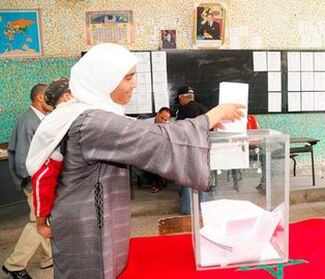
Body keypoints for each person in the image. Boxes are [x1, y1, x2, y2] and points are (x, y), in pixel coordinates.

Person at [25, 43, 244, 279]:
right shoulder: (91, 121)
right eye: (128, 77)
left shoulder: (84, 111)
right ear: (104, 79)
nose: (135, 84)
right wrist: (214, 115)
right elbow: (156, 140)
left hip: (88, 216)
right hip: (87, 227)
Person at [2, 84, 53, 279]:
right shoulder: (27, 121)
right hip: (35, 182)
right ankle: (14, 265)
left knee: (44, 218)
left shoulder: (40, 118)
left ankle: (48, 258)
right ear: (40, 98)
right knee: (37, 222)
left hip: (41, 180)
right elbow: (23, 159)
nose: (52, 100)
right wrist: (37, 181)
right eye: (49, 97)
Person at [31, 77, 72, 239]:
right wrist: (41, 224)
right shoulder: (56, 125)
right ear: (65, 97)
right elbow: (44, 176)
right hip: (65, 203)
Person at [175, 86, 210, 215]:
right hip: (204, 151)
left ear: (181, 97)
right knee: (203, 181)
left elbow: (179, 131)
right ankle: (205, 211)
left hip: (189, 151)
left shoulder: (184, 109)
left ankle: (188, 211)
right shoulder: (204, 109)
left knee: (187, 181)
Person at [142, 107, 172, 193]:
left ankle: (159, 184)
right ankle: (157, 182)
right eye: (162, 118)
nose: (163, 121)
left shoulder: (168, 125)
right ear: (158, 114)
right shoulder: (146, 123)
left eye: (165, 120)